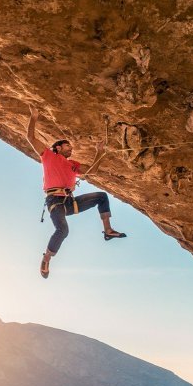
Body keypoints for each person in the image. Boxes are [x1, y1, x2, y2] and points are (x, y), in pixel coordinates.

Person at [26, 106, 126, 279]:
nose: (70, 148)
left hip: (69, 202)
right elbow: (30, 137)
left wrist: (99, 152)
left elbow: (92, 171)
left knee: (101, 197)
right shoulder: (49, 155)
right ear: (57, 148)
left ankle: (108, 231)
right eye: (67, 145)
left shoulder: (73, 164)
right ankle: (47, 258)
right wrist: (33, 117)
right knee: (63, 230)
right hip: (55, 201)